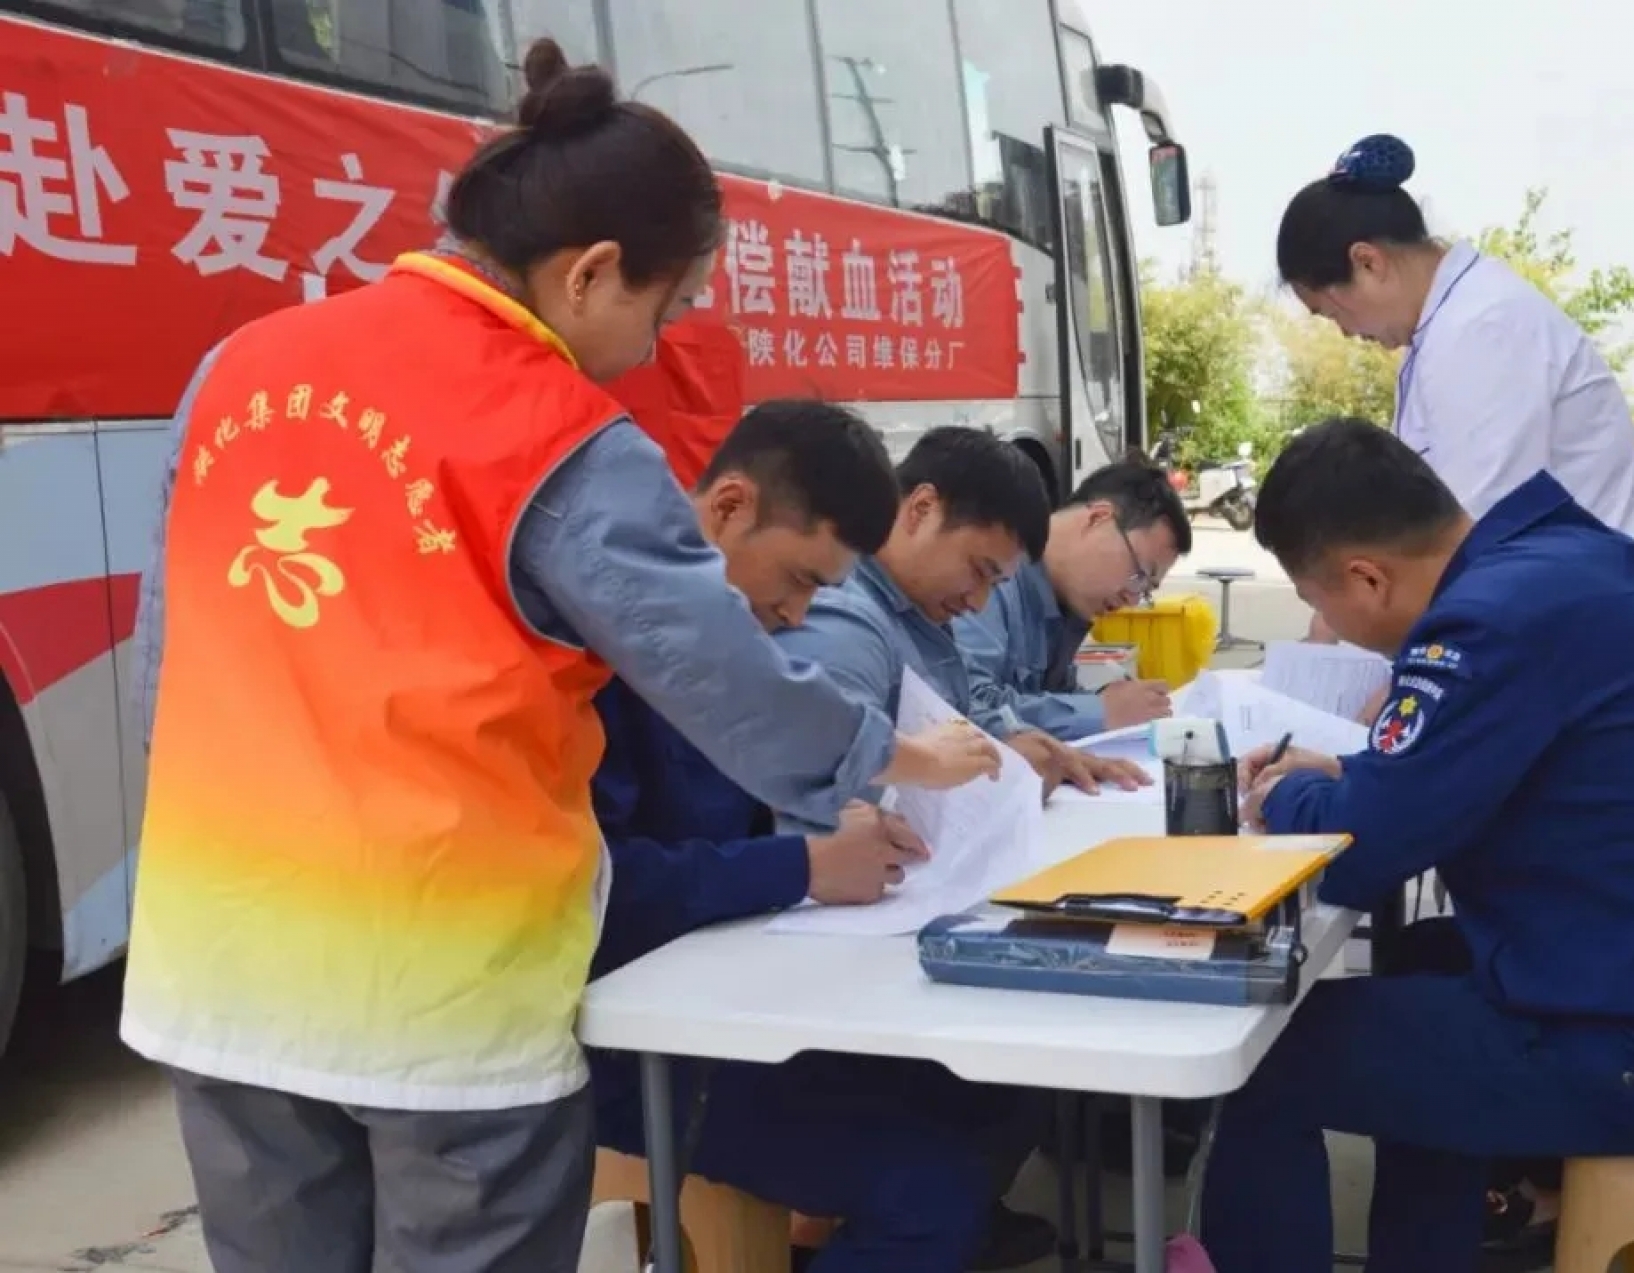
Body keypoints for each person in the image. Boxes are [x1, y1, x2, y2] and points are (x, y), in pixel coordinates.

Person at [121, 43, 998, 1273]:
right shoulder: (561, 434)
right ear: (589, 271)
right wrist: (910, 755)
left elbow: (167, 667)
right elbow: (726, 678)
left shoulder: (238, 368)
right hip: (439, 989)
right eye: (665, 310)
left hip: (219, 964)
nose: (653, 348)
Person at [1200, 419, 1634, 1273]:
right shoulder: (1563, 560)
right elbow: (1454, 770)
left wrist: (1283, 793)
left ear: (1367, 576)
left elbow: (1360, 850)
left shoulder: (1482, 625)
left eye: (1320, 603)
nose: (1329, 626)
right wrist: (1352, 773)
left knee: (1263, 1059)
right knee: (1421, 960)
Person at [589, 398, 1052, 1273]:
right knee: (930, 1193)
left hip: (738, 994)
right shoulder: (606, 656)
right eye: (800, 579)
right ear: (729, 508)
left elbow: (744, 820)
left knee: (1002, 1091)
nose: (800, 616)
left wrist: (833, 834)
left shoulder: (732, 652)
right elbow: (602, 885)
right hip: (641, 1041)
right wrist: (800, 863)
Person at [1277, 134, 1634, 568]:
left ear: (1368, 262)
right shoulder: (1451, 323)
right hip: (1573, 587)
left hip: (1601, 595)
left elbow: (1473, 528)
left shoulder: (1483, 327)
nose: (1345, 332)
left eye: (1332, 312)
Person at [779, 426, 1153, 804]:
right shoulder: (845, 624)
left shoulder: (918, 613)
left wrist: (1023, 743)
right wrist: (997, 774)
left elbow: (956, 714)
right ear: (922, 509)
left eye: (996, 583)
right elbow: (828, 786)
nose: (978, 602)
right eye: (979, 570)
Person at [956, 459, 1192, 741]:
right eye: (1138, 575)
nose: (1131, 599)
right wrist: (1100, 711)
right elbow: (964, 706)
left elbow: (1050, 696)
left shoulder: (1065, 602)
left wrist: (1111, 705)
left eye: (1145, 590)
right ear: (1098, 519)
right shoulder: (994, 574)